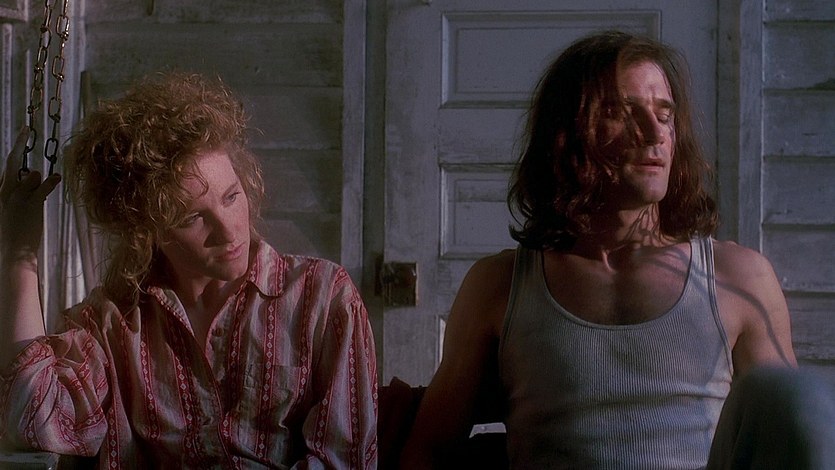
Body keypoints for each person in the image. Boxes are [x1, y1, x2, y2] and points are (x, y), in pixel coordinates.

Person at [399, 31, 835, 468]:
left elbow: (791, 436)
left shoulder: (737, 275)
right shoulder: (499, 284)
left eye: (664, 114)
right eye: (621, 113)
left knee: (797, 395)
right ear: (566, 134)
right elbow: (428, 450)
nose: (654, 133)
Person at [0, 73, 377, 468]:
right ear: (147, 231)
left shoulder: (323, 298)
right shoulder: (112, 325)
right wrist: (19, 255)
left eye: (231, 197)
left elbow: (344, 460)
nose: (229, 230)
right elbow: (32, 422)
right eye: (193, 217)